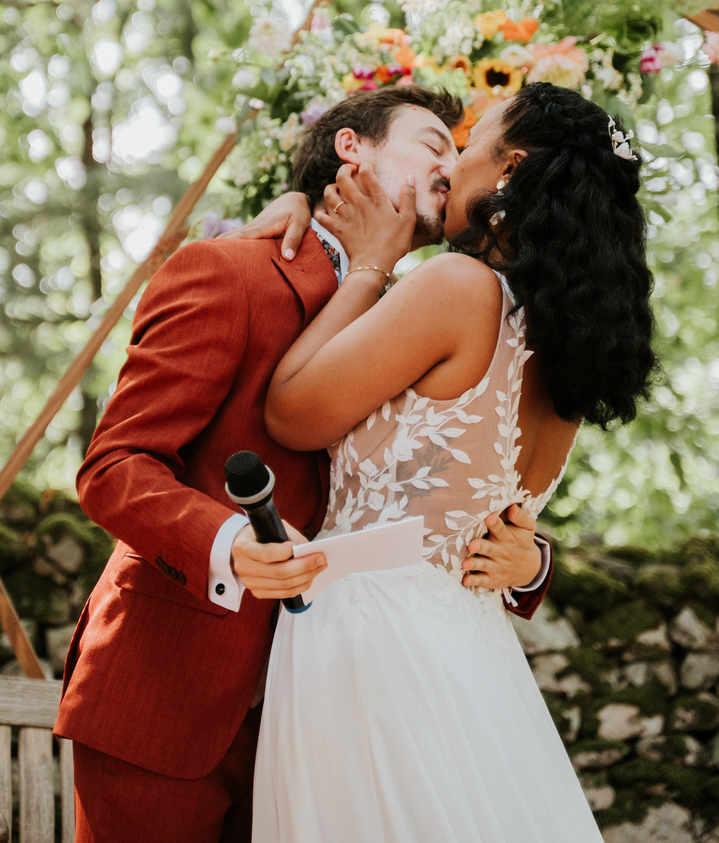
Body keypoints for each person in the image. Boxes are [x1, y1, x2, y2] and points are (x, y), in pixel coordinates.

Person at [53, 85, 553, 843]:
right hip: (169, 695)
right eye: (431, 144)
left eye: (459, 153)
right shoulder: (230, 271)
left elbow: (442, 477)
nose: (450, 168)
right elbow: (115, 465)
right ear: (351, 148)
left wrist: (531, 561)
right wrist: (230, 542)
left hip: (327, 722)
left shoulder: (428, 311)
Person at [250, 82, 656, 842]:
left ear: (511, 167)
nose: (451, 164)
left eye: (468, 144)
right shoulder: (570, 352)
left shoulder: (456, 288)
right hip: (473, 651)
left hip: (371, 637)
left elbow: (290, 413)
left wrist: (370, 264)